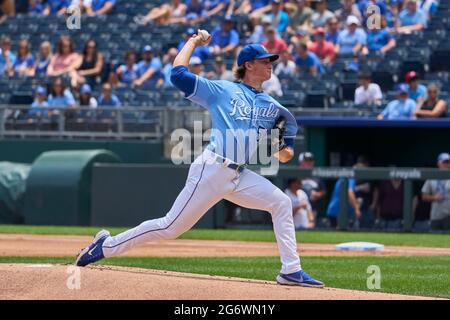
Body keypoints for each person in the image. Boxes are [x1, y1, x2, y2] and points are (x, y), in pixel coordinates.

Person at [75, 35, 324, 288]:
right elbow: (177, 75)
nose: (271, 64)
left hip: (238, 175)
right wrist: (193, 42)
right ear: (248, 65)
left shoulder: (274, 107)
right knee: (170, 227)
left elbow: (285, 154)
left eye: (271, 61)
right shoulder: (223, 89)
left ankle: (291, 271)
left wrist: (279, 148)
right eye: (265, 60)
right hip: (212, 168)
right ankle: (105, 246)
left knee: (281, 202)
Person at [421, 153, 450, 231]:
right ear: (438, 163)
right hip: (435, 216)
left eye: (448, 162)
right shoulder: (432, 177)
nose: (446, 164)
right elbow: (423, 196)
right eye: (444, 162)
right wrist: (434, 197)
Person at [298, 152, 327, 219]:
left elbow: (324, 191)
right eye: (306, 160)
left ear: (313, 162)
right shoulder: (297, 175)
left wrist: (318, 194)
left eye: (310, 160)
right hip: (299, 208)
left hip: (313, 207)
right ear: (302, 162)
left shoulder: (317, 176)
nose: (308, 163)